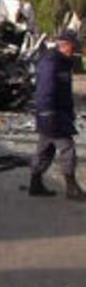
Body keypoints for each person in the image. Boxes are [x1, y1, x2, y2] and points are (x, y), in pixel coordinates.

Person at [29, 30, 86, 200]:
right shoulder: (52, 63)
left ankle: (35, 183)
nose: (74, 50)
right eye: (73, 46)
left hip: (54, 113)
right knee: (67, 148)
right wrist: (48, 112)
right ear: (66, 45)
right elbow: (46, 90)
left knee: (45, 149)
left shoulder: (60, 62)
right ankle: (71, 187)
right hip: (52, 114)